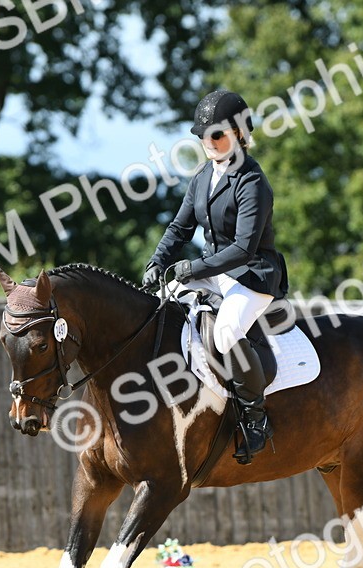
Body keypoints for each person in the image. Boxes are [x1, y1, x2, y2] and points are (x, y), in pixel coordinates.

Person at [143, 89, 290, 464]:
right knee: (161, 303)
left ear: (240, 133)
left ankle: (255, 418)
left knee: (226, 332)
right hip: (213, 270)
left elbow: (243, 248)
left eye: (217, 135)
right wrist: (156, 263)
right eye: (202, 136)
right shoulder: (204, 175)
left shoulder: (252, 182)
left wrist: (192, 269)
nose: (208, 143)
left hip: (252, 274)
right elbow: (179, 228)